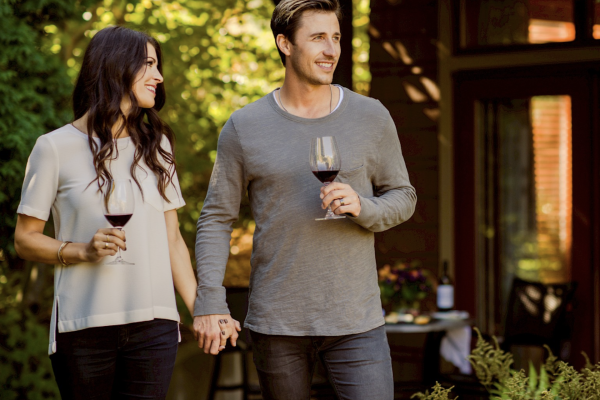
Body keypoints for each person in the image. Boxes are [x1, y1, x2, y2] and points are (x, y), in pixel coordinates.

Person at [193, 0, 417, 398]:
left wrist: (364, 207)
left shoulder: (372, 116)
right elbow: (216, 218)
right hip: (277, 325)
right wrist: (210, 299)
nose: (331, 50)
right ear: (285, 44)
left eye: (336, 38)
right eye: (317, 38)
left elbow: (404, 196)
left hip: (356, 322)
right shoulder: (244, 126)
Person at [14, 26, 239, 399]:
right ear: (117, 67)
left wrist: (205, 309)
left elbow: (172, 241)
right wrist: (81, 251)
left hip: (154, 326)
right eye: (148, 65)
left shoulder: (158, 146)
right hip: (84, 327)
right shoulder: (53, 148)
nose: (159, 76)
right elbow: (24, 240)